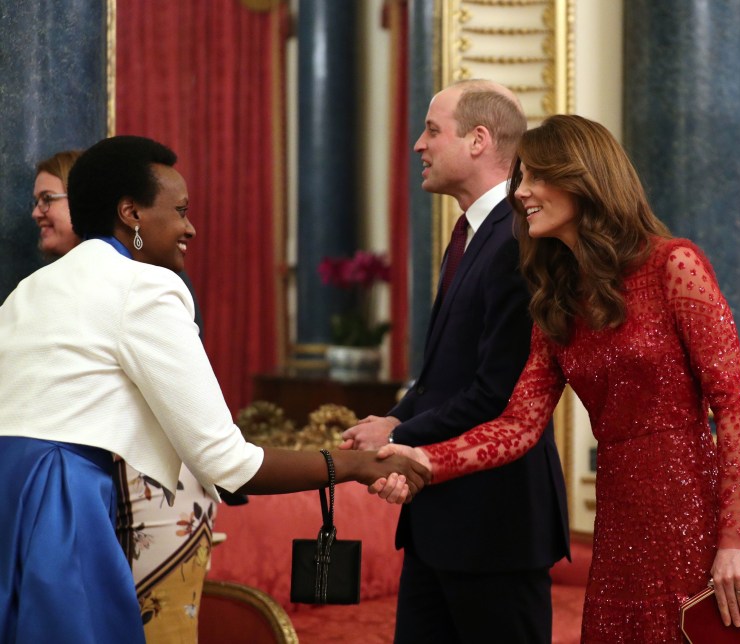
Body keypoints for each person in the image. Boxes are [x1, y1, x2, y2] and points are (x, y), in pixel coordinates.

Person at [0, 135, 426, 644]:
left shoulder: (31, 288)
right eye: (179, 211)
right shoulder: (144, 289)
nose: (190, 227)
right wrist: (355, 465)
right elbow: (228, 464)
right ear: (131, 213)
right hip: (61, 500)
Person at [378, 114, 740, 643]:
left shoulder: (674, 263)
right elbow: (518, 425)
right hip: (619, 518)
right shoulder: (556, 301)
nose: (522, 193)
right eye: (520, 180)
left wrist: (735, 538)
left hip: (688, 515)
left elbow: (734, 404)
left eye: (534, 178)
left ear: (582, 179)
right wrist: (425, 458)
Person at [341, 80, 569, 644]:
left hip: (495, 526)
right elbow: (445, 373)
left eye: (432, 130)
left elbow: (498, 393)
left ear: (479, 140)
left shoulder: (521, 237)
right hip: (439, 522)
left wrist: (403, 433)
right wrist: (397, 417)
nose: (419, 145)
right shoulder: (471, 233)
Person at [31, 149, 227, 641]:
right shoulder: (40, 290)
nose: (36, 212)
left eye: (49, 198)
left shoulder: (152, 285)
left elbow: (195, 424)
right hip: (80, 490)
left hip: (155, 493)